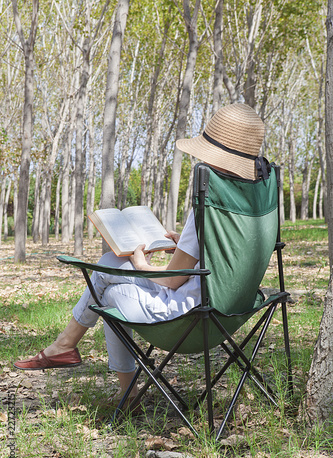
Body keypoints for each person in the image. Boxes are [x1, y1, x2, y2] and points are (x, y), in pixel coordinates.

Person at [14, 103, 265, 405]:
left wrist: (142, 264)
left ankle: (122, 388)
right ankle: (64, 346)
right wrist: (185, 245)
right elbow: (231, 254)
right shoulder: (253, 203)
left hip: (189, 317)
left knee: (105, 292)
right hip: (233, 309)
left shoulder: (208, 203)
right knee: (109, 262)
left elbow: (173, 281)